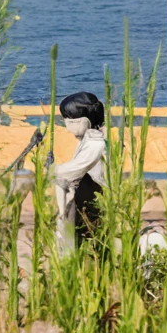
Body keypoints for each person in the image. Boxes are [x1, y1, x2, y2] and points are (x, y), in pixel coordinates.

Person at [47, 90, 108, 255]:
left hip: (94, 202)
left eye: (72, 122)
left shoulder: (96, 144)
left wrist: (54, 170)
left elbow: (76, 168)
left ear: (85, 121)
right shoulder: (88, 140)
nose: (67, 127)